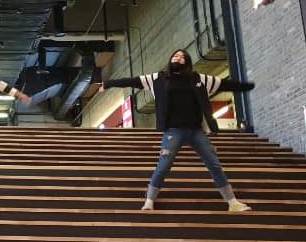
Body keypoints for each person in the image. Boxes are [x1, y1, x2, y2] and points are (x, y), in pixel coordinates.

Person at [100, 48, 255, 212]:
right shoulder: (158, 78)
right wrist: (108, 84)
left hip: (196, 131)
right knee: (164, 166)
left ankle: (232, 202)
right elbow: (131, 81)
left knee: (214, 165)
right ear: (170, 59)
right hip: (173, 131)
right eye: (175, 55)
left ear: (187, 62)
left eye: (182, 56)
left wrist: (248, 86)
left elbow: (225, 84)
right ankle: (149, 201)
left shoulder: (199, 79)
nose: (178, 57)